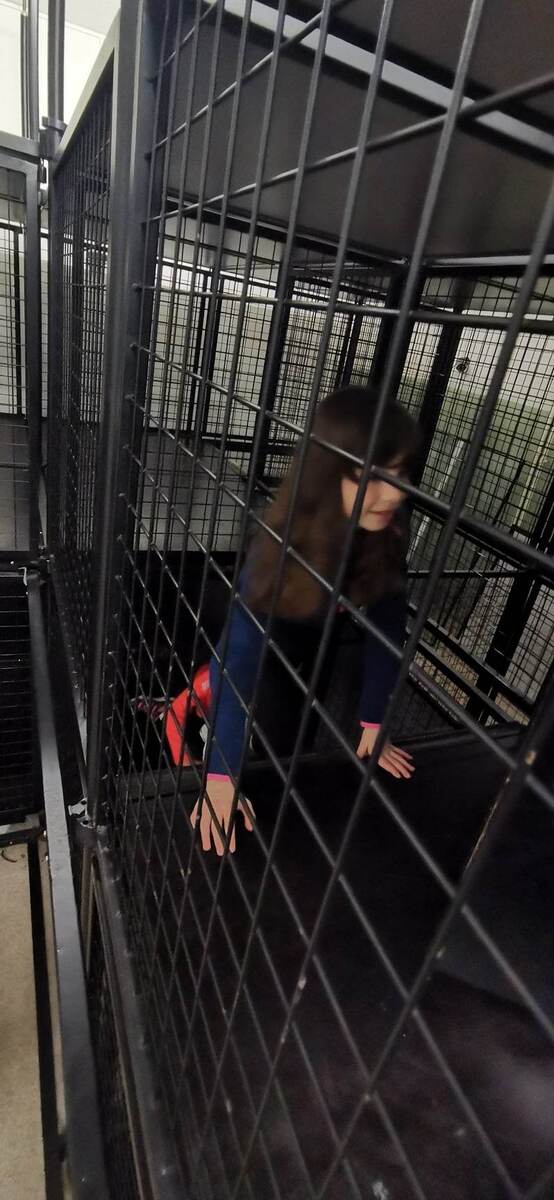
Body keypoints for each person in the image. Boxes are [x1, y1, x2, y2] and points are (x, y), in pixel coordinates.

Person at [191, 386, 421, 854]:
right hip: (269, 625)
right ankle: (205, 730)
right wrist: (220, 777)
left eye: (400, 475)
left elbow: (388, 622)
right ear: (328, 476)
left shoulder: (388, 524)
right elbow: (238, 662)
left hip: (321, 629)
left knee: (294, 731)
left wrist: (374, 721)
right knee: (251, 700)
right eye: (374, 477)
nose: (394, 493)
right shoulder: (279, 548)